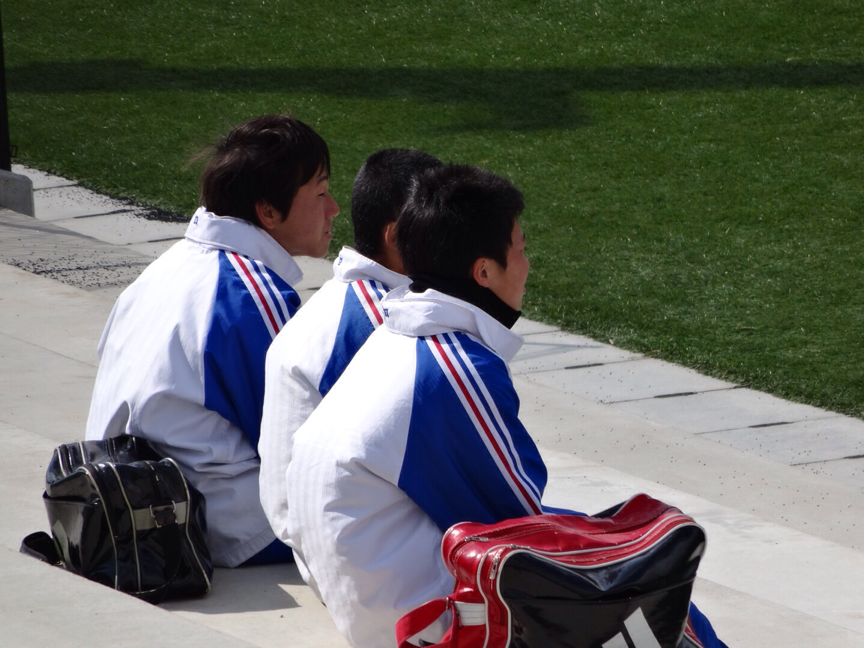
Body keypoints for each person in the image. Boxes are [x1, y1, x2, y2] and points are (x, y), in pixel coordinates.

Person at [285, 164, 727, 648]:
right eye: (520, 249)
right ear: (484, 271)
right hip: (417, 620)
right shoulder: (454, 368)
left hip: (367, 598)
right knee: (656, 595)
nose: (527, 264)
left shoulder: (397, 336)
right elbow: (520, 520)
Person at [85, 114, 340, 568]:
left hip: (130, 502)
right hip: (221, 525)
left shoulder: (167, 267)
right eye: (320, 193)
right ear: (268, 211)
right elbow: (299, 443)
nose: (334, 208)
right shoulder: (249, 295)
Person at [258, 148, 442, 549]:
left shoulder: (344, 300)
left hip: (311, 530)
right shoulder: (383, 323)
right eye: (440, 225)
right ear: (397, 236)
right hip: (342, 544)